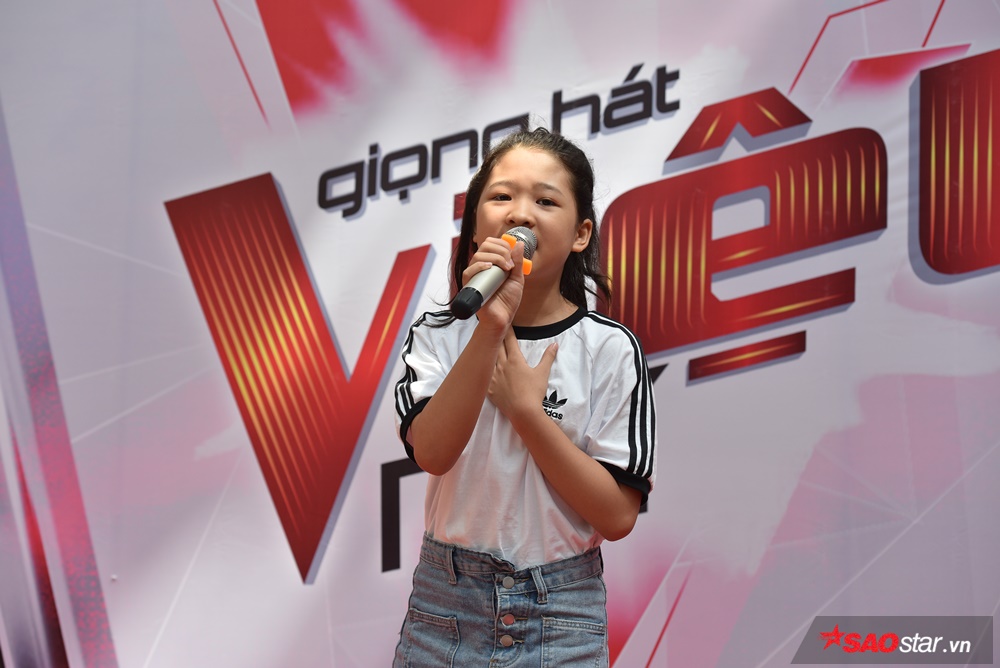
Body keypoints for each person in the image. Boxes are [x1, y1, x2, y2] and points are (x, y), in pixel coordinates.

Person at [392, 127, 657, 666]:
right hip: (445, 610)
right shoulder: (439, 334)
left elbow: (617, 516)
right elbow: (433, 453)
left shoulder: (609, 349)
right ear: (475, 227)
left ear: (581, 233)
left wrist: (526, 413)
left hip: (561, 615)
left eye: (545, 201)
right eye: (501, 196)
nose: (520, 214)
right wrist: (491, 327)